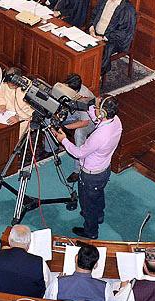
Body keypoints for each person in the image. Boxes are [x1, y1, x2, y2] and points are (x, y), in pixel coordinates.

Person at [52, 96, 122, 239]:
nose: (94, 109)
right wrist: (90, 106)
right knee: (98, 194)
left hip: (91, 176)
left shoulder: (100, 136)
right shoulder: (116, 121)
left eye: (97, 108)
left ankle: (91, 231)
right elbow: (97, 119)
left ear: (102, 113)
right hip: (104, 170)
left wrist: (63, 140)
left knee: (87, 204)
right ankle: (100, 215)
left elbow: (78, 153)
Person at [0, 224, 50, 297]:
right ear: (29, 244)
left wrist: (2, 252)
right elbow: (48, 286)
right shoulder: (41, 263)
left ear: (9, 240)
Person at [88, 0, 138, 78]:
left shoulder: (127, 10)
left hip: (112, 40)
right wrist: (91, 27)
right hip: (94, 32)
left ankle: (94, 77)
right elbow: (94, 14)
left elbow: (123, 33)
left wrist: (103, 38)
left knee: (100, 53)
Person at [46, 243, 110, 301]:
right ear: (96, 265)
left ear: (76, 258)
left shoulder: (57, 284)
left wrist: (60, 281)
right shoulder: (105, 288)